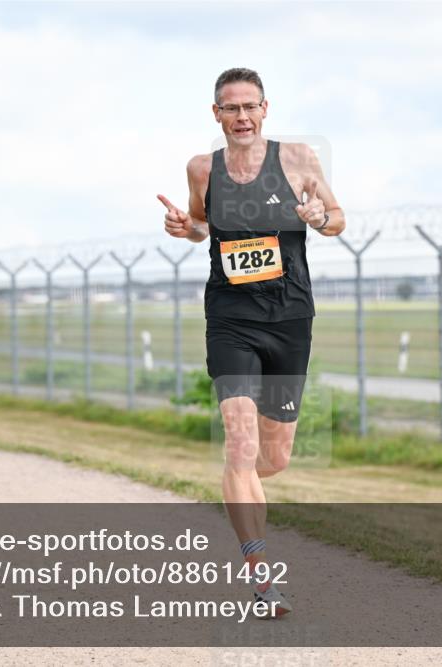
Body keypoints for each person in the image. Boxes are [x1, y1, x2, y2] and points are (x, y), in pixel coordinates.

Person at [157, 67, 344, 617]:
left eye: (250, 107)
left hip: (289, 317)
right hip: (231, 316)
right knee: (240, 446)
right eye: (230, 109)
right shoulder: (202, 168)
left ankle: (235, 486)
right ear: (216, 114)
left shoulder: (300, 159)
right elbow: (199, 226)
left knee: (273, 458)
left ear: (266, 110)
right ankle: (262, 579)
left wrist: (318, 215)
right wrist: (182, 229)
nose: (241, 117)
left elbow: (337, 218)